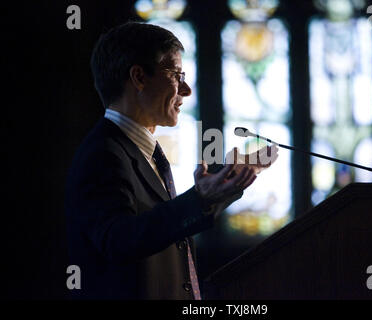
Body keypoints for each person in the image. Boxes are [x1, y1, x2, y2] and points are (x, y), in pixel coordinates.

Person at [65, 22, 277, 300]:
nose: (187, 90)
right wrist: (200, 199)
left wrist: (222, 188)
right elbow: (119, 241)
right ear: (139, 77)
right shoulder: (103, 154)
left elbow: (165, 226)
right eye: (177, 75)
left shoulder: (139, 150)